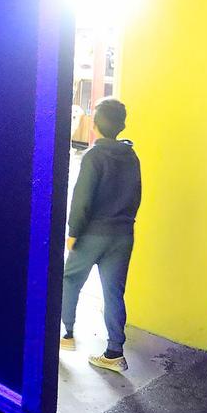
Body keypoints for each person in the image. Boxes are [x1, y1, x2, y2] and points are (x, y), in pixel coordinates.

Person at [60, 97, 142, 372]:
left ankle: (67, 335)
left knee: (70, 280)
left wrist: (73, 233)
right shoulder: (131, 156)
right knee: (114, 292)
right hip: (122, 235)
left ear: (95, 125)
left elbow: (81, 199)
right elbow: (137, 196)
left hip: (93, 234)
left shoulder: (94, 156)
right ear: (121, 125)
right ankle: (115, 352)